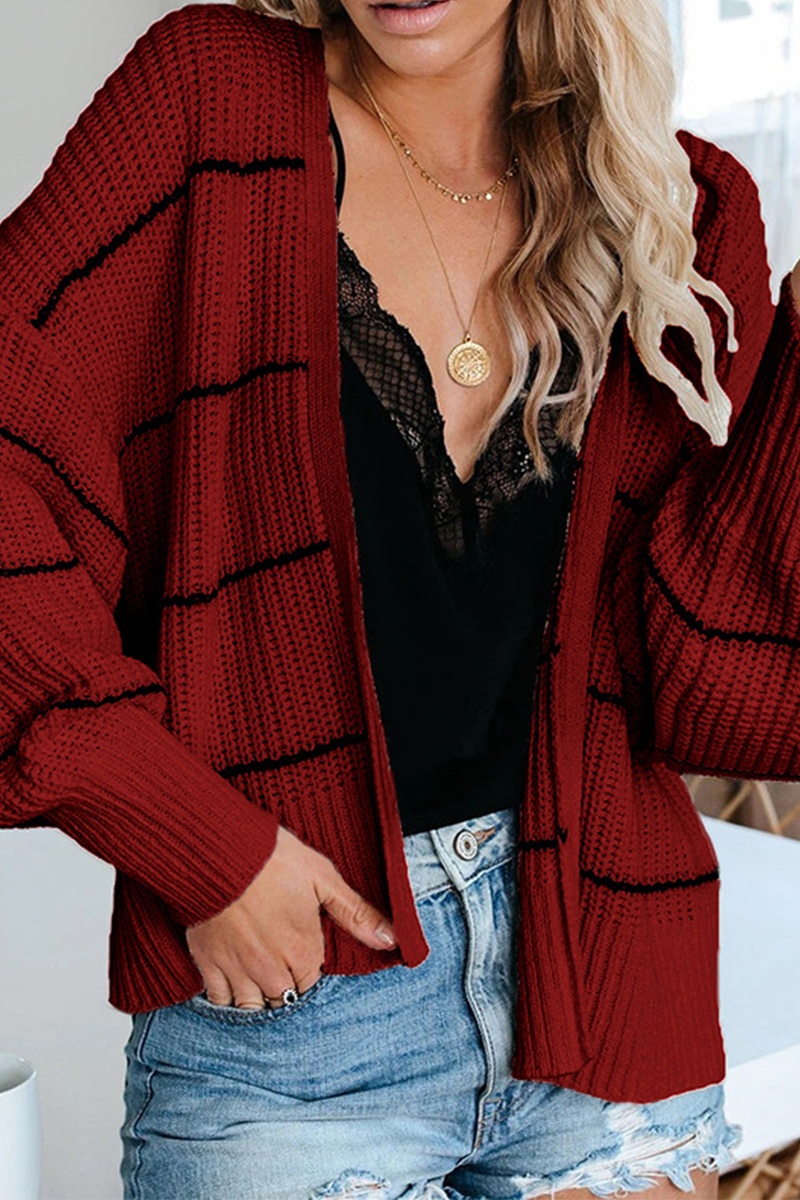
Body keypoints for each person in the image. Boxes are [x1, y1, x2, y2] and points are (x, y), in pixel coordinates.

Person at [0, 0, 798, 1196]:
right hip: (293, 1031)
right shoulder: (208, 101)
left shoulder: (676, 212)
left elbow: (715, 696)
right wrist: (196, 841)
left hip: (604, 1020)